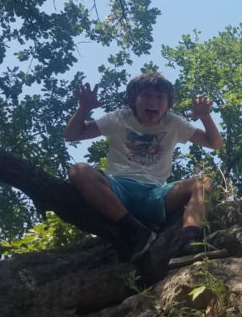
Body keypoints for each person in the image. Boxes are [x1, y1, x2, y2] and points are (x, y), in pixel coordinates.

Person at [64, 72, 223, 259]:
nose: (153, 102)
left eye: (160, 97)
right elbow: (71, 135)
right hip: (117, 189)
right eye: (146, 95)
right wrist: (83, 108)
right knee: (79, 171)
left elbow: (215, 143)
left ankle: (189, 240)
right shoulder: (119, 118)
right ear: (132, 99)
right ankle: (135, 231)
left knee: (202, 182)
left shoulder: (173, 123)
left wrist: (205, 117)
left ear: (168, 104)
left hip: (154, 194)